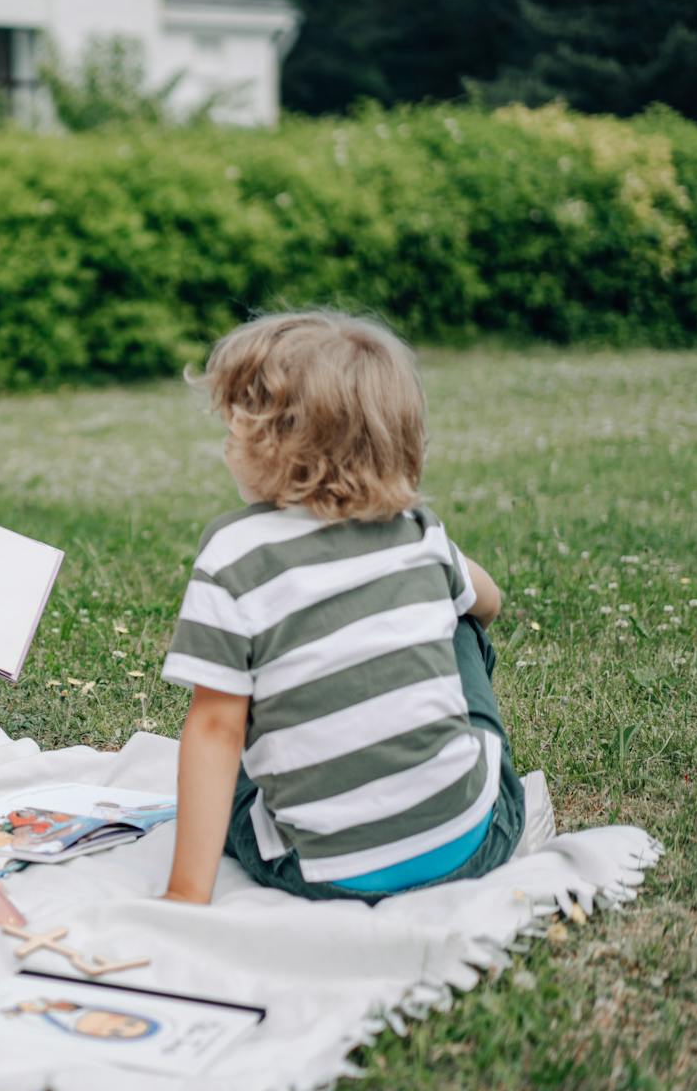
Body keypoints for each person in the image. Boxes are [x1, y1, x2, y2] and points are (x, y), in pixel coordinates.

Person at [159, 312, 554, 905]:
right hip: (476, 843)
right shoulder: (419, 532)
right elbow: (490, 602)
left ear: (276, 442)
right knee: (462, 618)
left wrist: (186, 899)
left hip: (321, 873)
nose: (225, 443)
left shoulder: (233, 556)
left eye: (233, 427)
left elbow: (216, 728)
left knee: (234, 733)